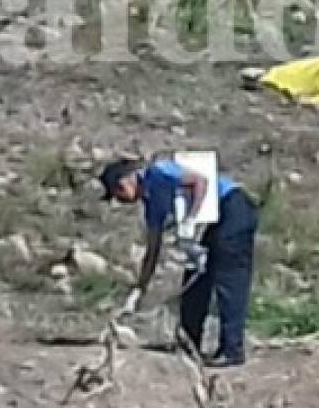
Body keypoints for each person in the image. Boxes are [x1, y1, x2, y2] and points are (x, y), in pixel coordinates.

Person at [99, 153, 258, 368]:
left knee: (229, 278)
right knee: (196, 275)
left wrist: (190, 222)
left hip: (233, 207)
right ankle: (189, 342)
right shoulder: (152, 203)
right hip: (216, 219)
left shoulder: (159, 171)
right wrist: (140, 288)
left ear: (126, 180)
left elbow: (199, 181)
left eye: (119, 192)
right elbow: (153, 248)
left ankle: (232, 350)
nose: (121, 198)